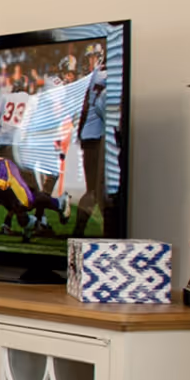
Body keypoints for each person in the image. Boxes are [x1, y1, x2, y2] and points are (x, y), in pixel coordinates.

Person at [69, 45, 111, 236]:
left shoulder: (95, 74)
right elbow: (102, 106)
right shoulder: (105, 75)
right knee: (97, 191)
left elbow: (86, 106)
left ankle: (83, 231)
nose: (89, 61)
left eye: (91, 57)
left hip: (89, 134)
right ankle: (101, 231)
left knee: (96, 190)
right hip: (97, 137)